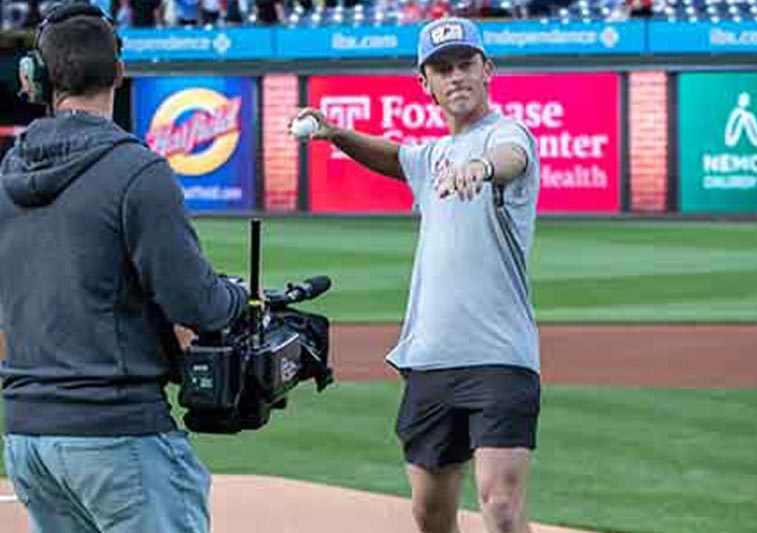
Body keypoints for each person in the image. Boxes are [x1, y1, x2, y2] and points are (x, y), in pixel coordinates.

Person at [0, 4, 248, 532]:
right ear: (119, 71)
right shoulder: (136, 170)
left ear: (36, 78)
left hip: (27, 437)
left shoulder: (8, 173)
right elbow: (195, 303)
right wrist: (235, 296)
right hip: (116, 431)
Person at [290, 17, 541, 533]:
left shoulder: (508, 134)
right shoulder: (433, 157)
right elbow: (397, 157)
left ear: (488, 70)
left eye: (466, 64)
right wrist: (336, 133)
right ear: (425, 83)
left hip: (499, 354)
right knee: (429, 513)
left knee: (500, 507)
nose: (457, 76)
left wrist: (482, 168)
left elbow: (510, 158)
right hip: (431, 356)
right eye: (442, 69)